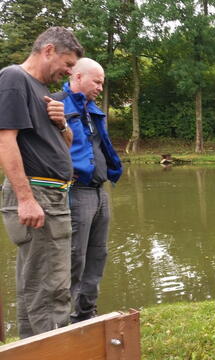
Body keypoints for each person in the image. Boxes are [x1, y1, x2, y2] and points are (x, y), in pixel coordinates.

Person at [0, 27, 83, 338]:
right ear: (48, 50)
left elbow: (65, 144)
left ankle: (31, 349)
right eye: (68, 62)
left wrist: (61, 123)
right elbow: (5, 140)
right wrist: (25, 198)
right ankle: (55, 351)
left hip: (52, 195)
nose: (69, 71)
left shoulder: (43, 90)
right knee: (52, 287)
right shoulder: (14, 78)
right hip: (38, 193)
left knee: (36, 284)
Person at [50, 58, 122, 323]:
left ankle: (87, 314)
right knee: (74, 258)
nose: (100, 88)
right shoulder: (55, 103)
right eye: (97, 81)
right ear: (77, 77)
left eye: (102, 83)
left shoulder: (92, 109)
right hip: (75, 191)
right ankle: (62, 320)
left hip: (99, 191)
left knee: (97, 255)